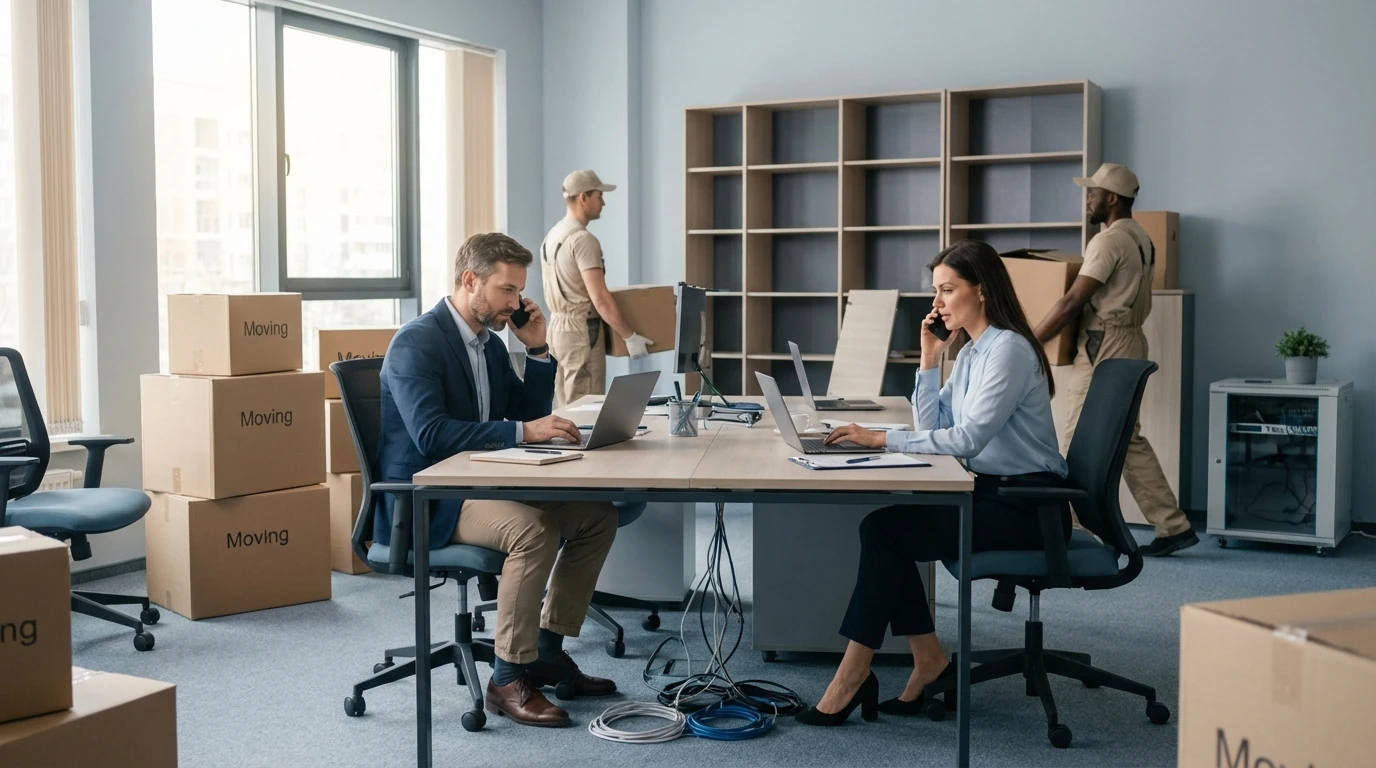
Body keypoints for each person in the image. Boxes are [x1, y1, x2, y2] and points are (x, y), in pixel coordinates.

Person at [796, 239, 1070, 726]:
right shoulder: (970, 352)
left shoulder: (1007, 350)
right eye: (936, 291)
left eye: (947, 290)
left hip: (1029, 506)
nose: (937, 303)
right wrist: (929, 358)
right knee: (886, 530)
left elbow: (966, 439)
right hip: (990, 490)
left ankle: (853, 675)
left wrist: (881, 439)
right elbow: (931, 425)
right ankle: (926, 662)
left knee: (886, 532)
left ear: (981, 291)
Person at [375, 232, 620, 728]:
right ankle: (507, 677)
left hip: (481, 482)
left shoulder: (486, 344)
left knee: (597, 517)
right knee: (533, 531)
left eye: (517, 291)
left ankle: (546, 650)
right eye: (507, 290)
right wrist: (523, 430)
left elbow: (525, 415)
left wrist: (536, 351)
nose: (516, 302)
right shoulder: (417, 342)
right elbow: (431, 435)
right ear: (471, 281)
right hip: (430, 496)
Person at [1033, 163, 1197, 557]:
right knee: (1127, 437)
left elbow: (1073, 300)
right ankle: (1172, 524)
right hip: (1128, 339)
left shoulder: (1107, 242)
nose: (1087, 198)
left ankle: (1067, 531)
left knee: (1078, 437)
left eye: (1093, 192)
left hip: (1103, 343)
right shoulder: (1140, 236)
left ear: (1112, 198)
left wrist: (1029, 341)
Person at [540, 169, 654, 408]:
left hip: (558, 330)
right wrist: (629, 336)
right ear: (583, 197)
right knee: (585, 407)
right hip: (582, 330)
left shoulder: (553, 235)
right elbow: (600, 297)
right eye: (598, 195)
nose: (603, 202)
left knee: (565, 403)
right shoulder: (583, 240)